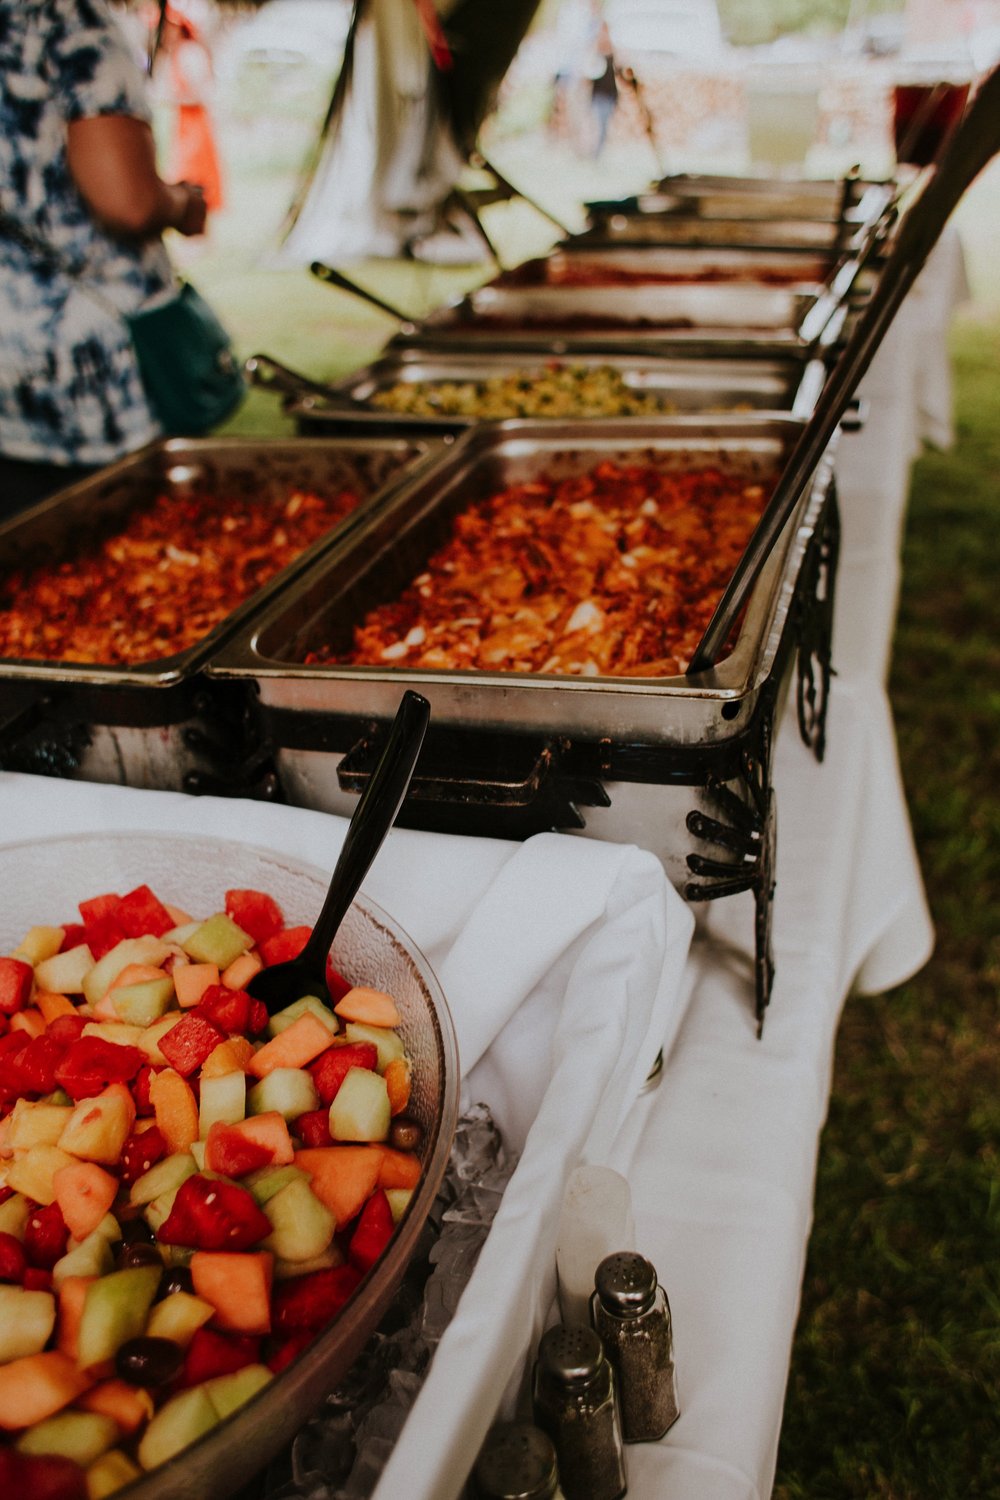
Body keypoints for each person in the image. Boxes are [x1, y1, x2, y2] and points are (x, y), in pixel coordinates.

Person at [0, 0, 208, 517]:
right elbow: (128, 202)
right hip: (87, 379)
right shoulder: (65, 18)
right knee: (136, 562)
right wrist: (184, 203)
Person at [158, 4, 225, 215]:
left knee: (197, 175)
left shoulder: (190, 52)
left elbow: (202, 92)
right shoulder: (175, 54)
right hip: (184, 124)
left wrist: (176, 98)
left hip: (195, 123)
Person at [588, 22, 619, 159]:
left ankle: (597, 154)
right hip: (599, 95)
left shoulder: (613, 51)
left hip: (610, 94)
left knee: (603, 127)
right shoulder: (595, 51)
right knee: (596, 126)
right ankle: (592, 153)